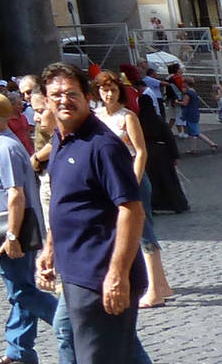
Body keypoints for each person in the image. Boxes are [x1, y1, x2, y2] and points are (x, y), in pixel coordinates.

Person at [36, 63, 147, 364]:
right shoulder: (61, 139)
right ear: (46, 100)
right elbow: (63, 201)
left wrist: (117, 275)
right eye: (55, 95)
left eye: (71, 93)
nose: (63, 100)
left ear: (87, 97)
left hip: (101, 276)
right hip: (74, 272)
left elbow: (132, 211)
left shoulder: (104, 146)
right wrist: (49, 248)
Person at [0, 89, 55, 364]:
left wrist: (12, 235)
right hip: (7, 232)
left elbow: (15, 194)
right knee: (20, 292)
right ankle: (18, 353)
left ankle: (71, 322)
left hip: (11, 232)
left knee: (21, 291)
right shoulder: (0, 144)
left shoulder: (5, 148)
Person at [91, 71, 172, 309]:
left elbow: (140, 152)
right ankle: (161, 283)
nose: (108, 94)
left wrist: (133, 183)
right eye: (104, 89)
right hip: (106, 181)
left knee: (143, 231)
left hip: (129, 178)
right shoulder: (95, 117)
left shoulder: (127, 117)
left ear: (120, 92)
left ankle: (156, 289)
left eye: (113, 90)